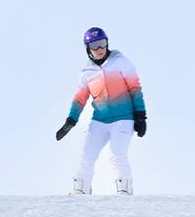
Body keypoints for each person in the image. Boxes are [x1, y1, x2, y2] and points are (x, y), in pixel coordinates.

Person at [54, 27, 147, 195]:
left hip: (124, 118)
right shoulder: (87, 72)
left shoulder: (120, 61)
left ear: (107, 43)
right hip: (100, 120)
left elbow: (134, 87)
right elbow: (80, 98)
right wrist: (71, 120)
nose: (99, 49)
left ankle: (124, 189)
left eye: (102, 44)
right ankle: (80, 189)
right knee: (87, 153)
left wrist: (140, 116)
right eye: (94, 45)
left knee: (117, 152)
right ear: (88, 49)